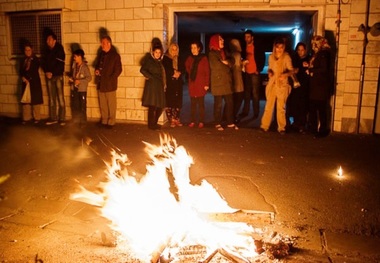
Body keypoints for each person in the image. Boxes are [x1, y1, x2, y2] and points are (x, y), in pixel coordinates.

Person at [260, 37, 294, 134]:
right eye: (277, 47)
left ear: (284, 48)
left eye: (281, 47)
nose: (279, 49)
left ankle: (281, 127)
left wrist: (285, 75)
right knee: (268, 106)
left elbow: (292, 70)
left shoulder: (286, 57)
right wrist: (270, 72)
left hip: (282, 85)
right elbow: (270, 68)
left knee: (281, 107)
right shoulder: (271, 57)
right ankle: (264, 125)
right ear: (274, 47)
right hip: (272, 84)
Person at [208, 34, 238, 131]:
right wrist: (228, 65)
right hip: (218, 82)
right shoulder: (212, 54)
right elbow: (216, 67)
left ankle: (230, 122)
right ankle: (217, 123)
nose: (223, 41)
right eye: (220, 39)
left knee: (230, 103)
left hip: (227, 82)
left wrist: (227, 62)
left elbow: (232, 60)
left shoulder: (224, 52)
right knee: (218, 104)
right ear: (215, 41)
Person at [95, 35, 122, 129]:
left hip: (110, 84)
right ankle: (104, 120)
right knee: (103, 103)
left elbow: (118, 70)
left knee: (111, 104)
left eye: (103, 43)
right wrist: (97, 70)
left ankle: (111, 121)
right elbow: (98, 65)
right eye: (101, 42)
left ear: (108, 43)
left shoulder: (115, 56)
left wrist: (111, 79)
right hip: (101, 83)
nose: (101, 45)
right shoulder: (101, 54)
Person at [308, 35, 332, 138]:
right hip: (317, 86)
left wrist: (311, 70)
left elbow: (323, 69)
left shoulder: (323, 54)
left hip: (320, 86)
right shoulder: (320, 53)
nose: (313, 46)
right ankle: (315, 128)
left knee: (320, 109)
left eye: (315, 43)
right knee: (316, 108)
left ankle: (321, 130)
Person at [140, 38, 166, 130]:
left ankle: (154, 123)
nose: (158, 54)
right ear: (153, 52)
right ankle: (151, 125)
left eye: (159, 52)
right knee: (152, 106)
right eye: (156, 52)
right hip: (151, 86)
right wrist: (150, 76)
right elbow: (142, 70)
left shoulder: (160, 62)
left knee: (160, 106)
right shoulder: (149, 60)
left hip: (158, 86)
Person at [239, 30, 265, 121]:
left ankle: (256, 113)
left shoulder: (257, 46)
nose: (246, 39)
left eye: (248, 37)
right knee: (246, 93)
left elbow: (262, 57)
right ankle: (245, 111)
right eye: (245, 37)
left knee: (255, 94)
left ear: (252, 37)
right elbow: (242, 57)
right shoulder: (244, 46)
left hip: (254, 72)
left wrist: (259, 69)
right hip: (247, 72)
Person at [42, 33, 66, 126]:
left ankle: (62, 118)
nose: (47, 41)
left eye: (49, 39)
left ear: (54, 40)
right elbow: (43, 62)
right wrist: (46, 71)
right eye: (47, 39)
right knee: (52, 98)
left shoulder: (59, 49)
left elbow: (61, 64)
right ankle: (53, 117)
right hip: (48, 76)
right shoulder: (46, 50)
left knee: (60, 97)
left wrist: (52, 72)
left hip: (57, 76)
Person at [185, 40, 210, 128]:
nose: (193, 50)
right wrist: (191, 73)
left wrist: (206, 84)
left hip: (201, 84)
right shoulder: (190, 58)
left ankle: (201, 121)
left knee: (201, 104)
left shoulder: (203, 58)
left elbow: (207, 72)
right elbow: (187, 66)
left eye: (195, 48)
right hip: (192, 84)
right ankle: (192, 120)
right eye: (192, 48)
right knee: (193, 104)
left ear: (199, 48)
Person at [287, 42, 311, 133]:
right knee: (295, 104)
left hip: (304, 86)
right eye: (299, 50)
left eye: (302, 50)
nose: (301, 52)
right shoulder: (295, 59)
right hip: (296, 86)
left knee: (303, 105)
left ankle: (302, 124)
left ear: (305, 50)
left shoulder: (308, 59)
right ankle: (296, 123)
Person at [19, 43, 43, 124]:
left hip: (34, 81)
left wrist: (29, 78)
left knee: (35, 100)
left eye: (29, 50)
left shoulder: (35, 59)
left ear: (32, 50)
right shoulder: (23, 60)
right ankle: (26, 117)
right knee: (26, 100)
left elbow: (34, 70)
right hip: (25, 82)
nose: (27, 51)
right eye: (26, 50)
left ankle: (37, 117)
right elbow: (21, 71)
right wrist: (23, 77)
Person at [69, 49, 92, 128]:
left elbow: (89, 78)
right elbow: (73, 76)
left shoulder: (84, 67)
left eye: (75, 56)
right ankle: (76, 120)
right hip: (74, 89)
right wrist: (72, 79)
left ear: (80, 57)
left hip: (82, 89)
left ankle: (83, 122)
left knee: (82, 106)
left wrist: (80, 81)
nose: (74, 58)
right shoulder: (74, 66)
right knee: (75, 105)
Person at [162, 43, 183, 128]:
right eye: (173, 49)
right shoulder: (166, 59)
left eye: (176, 49)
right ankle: (172, 120)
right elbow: (166, 69)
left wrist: (179, 73)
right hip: (170, 83)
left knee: (177, 101)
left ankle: (177, 119)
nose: (174, 51)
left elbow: (182, 68)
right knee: (170, 101)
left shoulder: (179, 58)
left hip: (178, 82)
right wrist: (173, 73)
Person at [229, 39, 245, 123]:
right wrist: (243, 63)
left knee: (232, 100)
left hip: (232, 80)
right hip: (238, 79)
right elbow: (239, 67)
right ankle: (232, 117)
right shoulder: (237, 54)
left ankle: (228, 116)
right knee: (238, 99)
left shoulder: (230, 54)